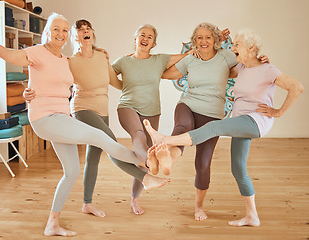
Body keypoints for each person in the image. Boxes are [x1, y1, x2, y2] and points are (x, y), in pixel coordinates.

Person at [0, 13, 170, 237]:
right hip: (45, 118)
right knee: (100, 137)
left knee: (71, 172)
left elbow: (62, 82)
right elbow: (12, 56)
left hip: (62, 118)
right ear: (47, 33)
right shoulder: (37, 52)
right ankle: (147, 168)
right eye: (56, 29)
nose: (60, 34)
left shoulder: (65, 60)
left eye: (63, 30)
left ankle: (52, 224)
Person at [143, 28, 304, 227]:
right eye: (233, 44)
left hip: (255, 121)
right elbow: (216, 67)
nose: (233, 47)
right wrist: (199, 51)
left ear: (251, 47)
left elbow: (297, 87)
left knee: (214, 127)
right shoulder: (242, 68)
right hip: (240, 120)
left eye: (237, 44)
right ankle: (252, 216)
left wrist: (278, 112)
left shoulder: (268, 69)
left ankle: (164, 140)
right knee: (238, 168)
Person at [24, 19, 158, 217]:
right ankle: (144, 171)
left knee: (93, 157)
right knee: (110, 142)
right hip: (82, 109)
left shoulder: (102, 57)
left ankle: (87, 203)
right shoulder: (70, 61)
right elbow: (52, 80)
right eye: (80, 30)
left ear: (92, 34)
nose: (85, 32)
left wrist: (141, 74)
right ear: (74, 36)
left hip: (102, 111)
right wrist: (29, 94)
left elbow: (119, 84)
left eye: (88, 29)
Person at [110, 24, 230, 214]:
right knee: (140, 137)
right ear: (135, 38)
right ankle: (154, 166)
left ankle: (136, 198)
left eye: (150, 37)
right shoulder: (123, 61)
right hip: (131, 106)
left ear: (154, 43)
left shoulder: (160, 60)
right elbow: (109, 74)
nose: (145, 38)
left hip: (154, 111)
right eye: (142, 35)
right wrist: (124, 87)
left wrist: (211, 44)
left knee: (150, 153)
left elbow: (192, 55)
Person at [158, 22, 269, 221]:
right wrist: (186, 55)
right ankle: (168, 161)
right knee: (181, 128)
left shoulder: (226, 57)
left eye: (208, 37)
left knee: (203, 163)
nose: (203, 41)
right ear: (194, 41)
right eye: (199, 37)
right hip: (188, 105)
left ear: (215, 40)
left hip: (212, 114)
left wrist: (261, 60)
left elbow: (246, 66)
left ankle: (198, 207)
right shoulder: (191, 59)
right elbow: (166, 74)